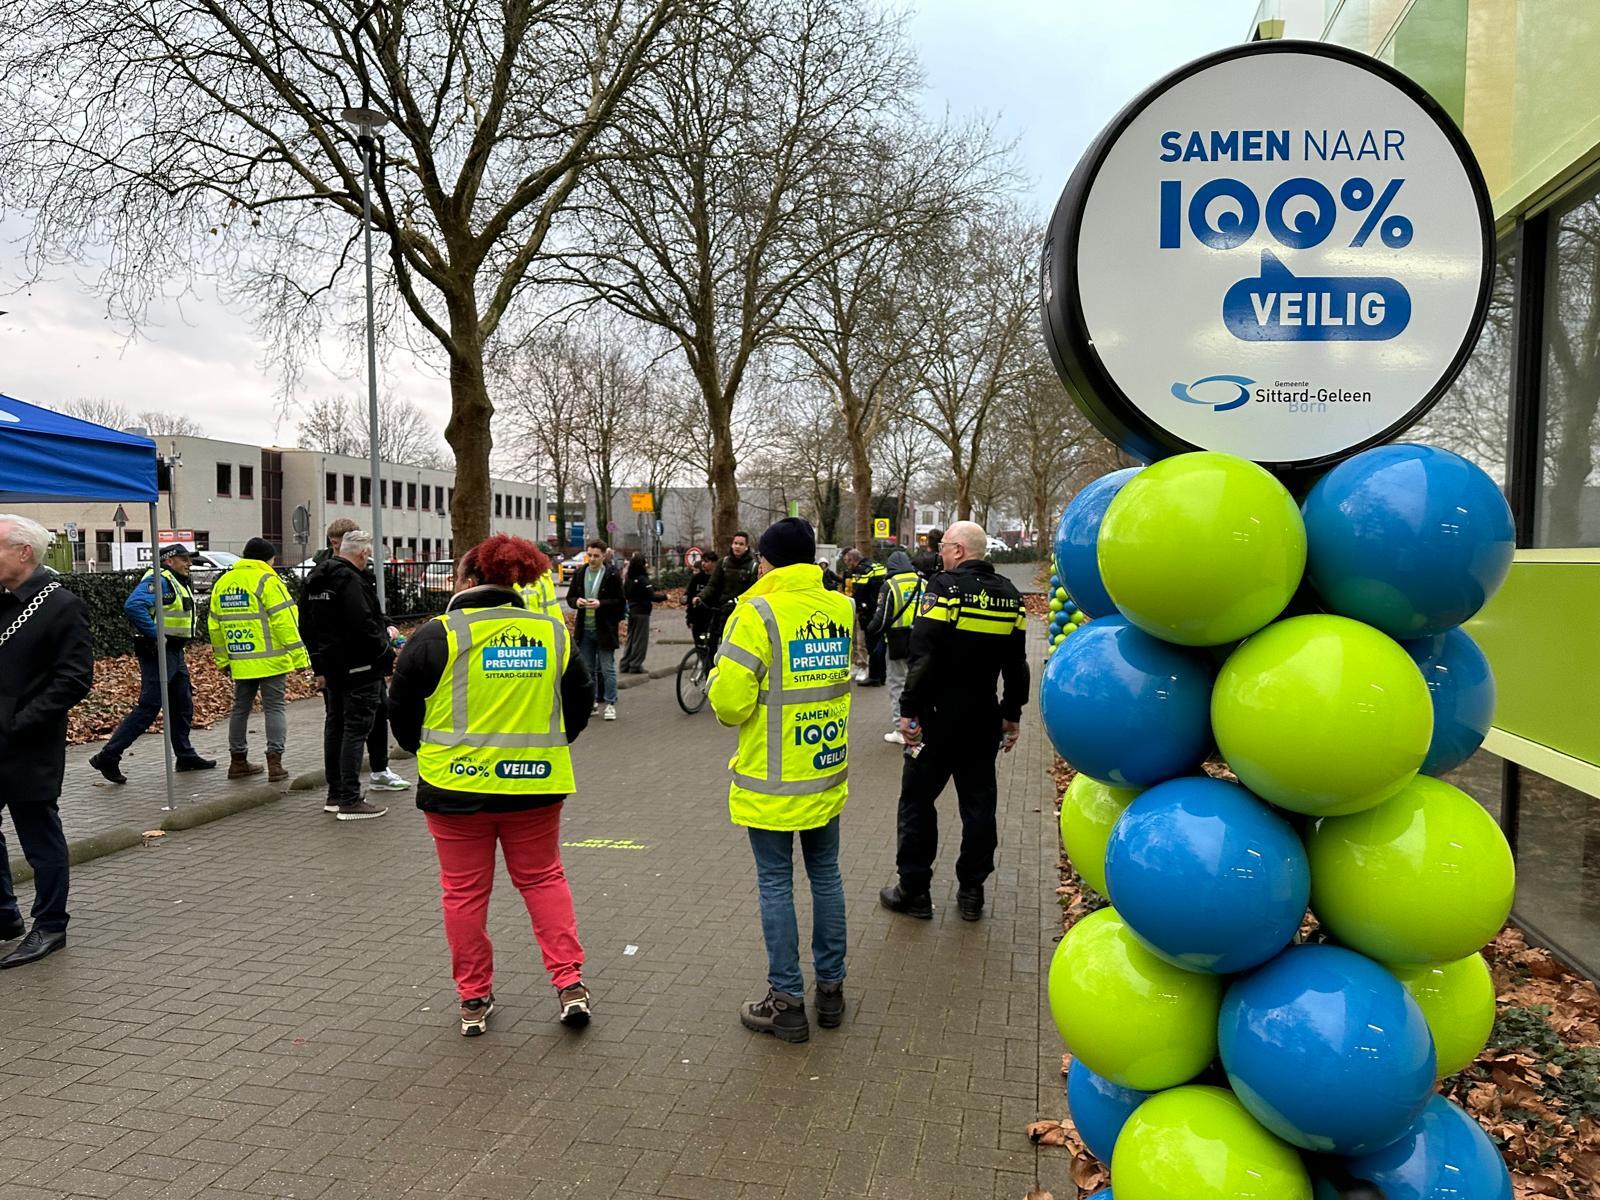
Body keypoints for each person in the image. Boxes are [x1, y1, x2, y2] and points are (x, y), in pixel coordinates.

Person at [388, 534, 595, 1036]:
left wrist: (429, 753)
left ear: (470, 579)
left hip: (454, 790)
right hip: (536, 785)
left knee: (463, 893)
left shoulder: (436, 635)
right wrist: (545, 745)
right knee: (544, 879)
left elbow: (400, 709)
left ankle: (473, 998)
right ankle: (570, 985)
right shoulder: (551, 632)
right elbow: (580, 702)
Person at [709, 517, 853, 1044]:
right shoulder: (840, 606)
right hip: (824, 767)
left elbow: (729, 704)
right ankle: (831, 991)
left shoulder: (756, 612)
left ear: (769, 559)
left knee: (776, 883)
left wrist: (721, 681)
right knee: (827, 877)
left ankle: (787, 1000)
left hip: (772, 778)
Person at [880, 521, 1029, 924]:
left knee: (917, 801)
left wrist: (908, 710)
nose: (940, 552)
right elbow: (1017, 665)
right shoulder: (1012, 597)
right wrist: (1011, 714)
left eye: (944, 546)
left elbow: (923, 655)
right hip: (983, 720)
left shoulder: (944, 589)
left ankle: (913, 891)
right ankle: (972, 893)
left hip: (936, 719)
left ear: (960, 551)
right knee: (979, 806)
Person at [0, 515, 93, 969]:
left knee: (40, 837)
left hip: (28, 744)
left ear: (23, 552)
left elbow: (73, 680)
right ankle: (4, 916)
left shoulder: (61, 605)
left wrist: (19, 723)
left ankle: (51, 924)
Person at [90, 544, 216, 783]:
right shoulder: (161, 580)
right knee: (149, 707)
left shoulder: (176, 580)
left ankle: (185, 755)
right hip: (159, 652)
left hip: (174, 652)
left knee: (182, 704)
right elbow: (133, 605)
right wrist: (157, 633)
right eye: (184, 559)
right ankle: (108, 756)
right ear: (169, 561)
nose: (189, 563)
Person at [299, 529, 395, 820]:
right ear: (363, 553)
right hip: (360, 667)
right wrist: (384, 651)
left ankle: (336, 794)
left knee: (336, 727)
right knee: (355, 730)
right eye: (367, 555)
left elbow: (306, 625)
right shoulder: (352, 580)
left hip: (332, 667)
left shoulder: (317, 579)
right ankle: (350, 800)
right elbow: (364, 622)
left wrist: (319, 665)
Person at [207, 537, 310, 782]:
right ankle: (275, 764)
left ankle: (238, 762)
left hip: (240, 659)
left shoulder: (224, 582)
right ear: (268, 558)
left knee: (240, 709)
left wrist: (223, 660)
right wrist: (299, 656)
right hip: (272, 659)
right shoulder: (267, 580)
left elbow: (215, 625)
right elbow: (284, 620)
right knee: (274, 707)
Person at [867, 550, 923, 744]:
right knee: (918, 683)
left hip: (898, 642)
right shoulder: (922, 582)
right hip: (922, 642)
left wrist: (869, 631)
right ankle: (918, 724)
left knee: (898, 684)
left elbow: (880, 619)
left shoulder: (890, 585)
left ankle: (901, 730)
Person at [565, 541, 624, 721]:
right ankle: (592, 702)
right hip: (585, 629)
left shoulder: (612, 574)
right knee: (588, 669)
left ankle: (610, 703)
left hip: (604, 629)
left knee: (607, 669)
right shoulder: (580, 572)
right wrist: (577, 602)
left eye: (596, 556)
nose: (592, 559)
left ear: (604, 556)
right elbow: (570, 597)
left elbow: (620, 601)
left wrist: (601, 604)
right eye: (589, 555)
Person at [618, 554, 668, 675]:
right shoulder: (643, 579)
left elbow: (625, 593)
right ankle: (636, 665)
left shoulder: (628, 578)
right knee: (640, 640)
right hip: (642, 613)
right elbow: (651, 596)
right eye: (645, 563)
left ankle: (625, 664)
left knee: (631, 638)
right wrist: (665, 596)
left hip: (631, 611)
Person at [697, 530, 758, 626]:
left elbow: (753, 591)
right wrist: (700, 596)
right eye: (735, 543)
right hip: (721, 610)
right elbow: (712, 585)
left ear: (746, 547)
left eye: (741, 544)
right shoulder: (723, 563)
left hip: (742, 612)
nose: (737, 546)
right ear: (732, 545)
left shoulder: (753, 566)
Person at [848, 549, 888, 687]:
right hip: (881, 608)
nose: (848, 565)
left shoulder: (861, 570)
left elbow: (858, 592)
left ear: (853, 560)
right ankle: (882, 675)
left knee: (871, 645)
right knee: (880, 643)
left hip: (868, 611)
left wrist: (856, 609)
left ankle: (874, 676)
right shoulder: (878, 566)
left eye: (848, 561)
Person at [684, 551, 719, 643]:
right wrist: (689, 618)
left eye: (706, 561)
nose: (703, 563)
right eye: (702, 561)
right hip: (698, 618)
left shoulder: (718, 578)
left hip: (713, 616)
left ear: (714, 563)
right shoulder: (696, 578)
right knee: (699, 644)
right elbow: (689, 598)